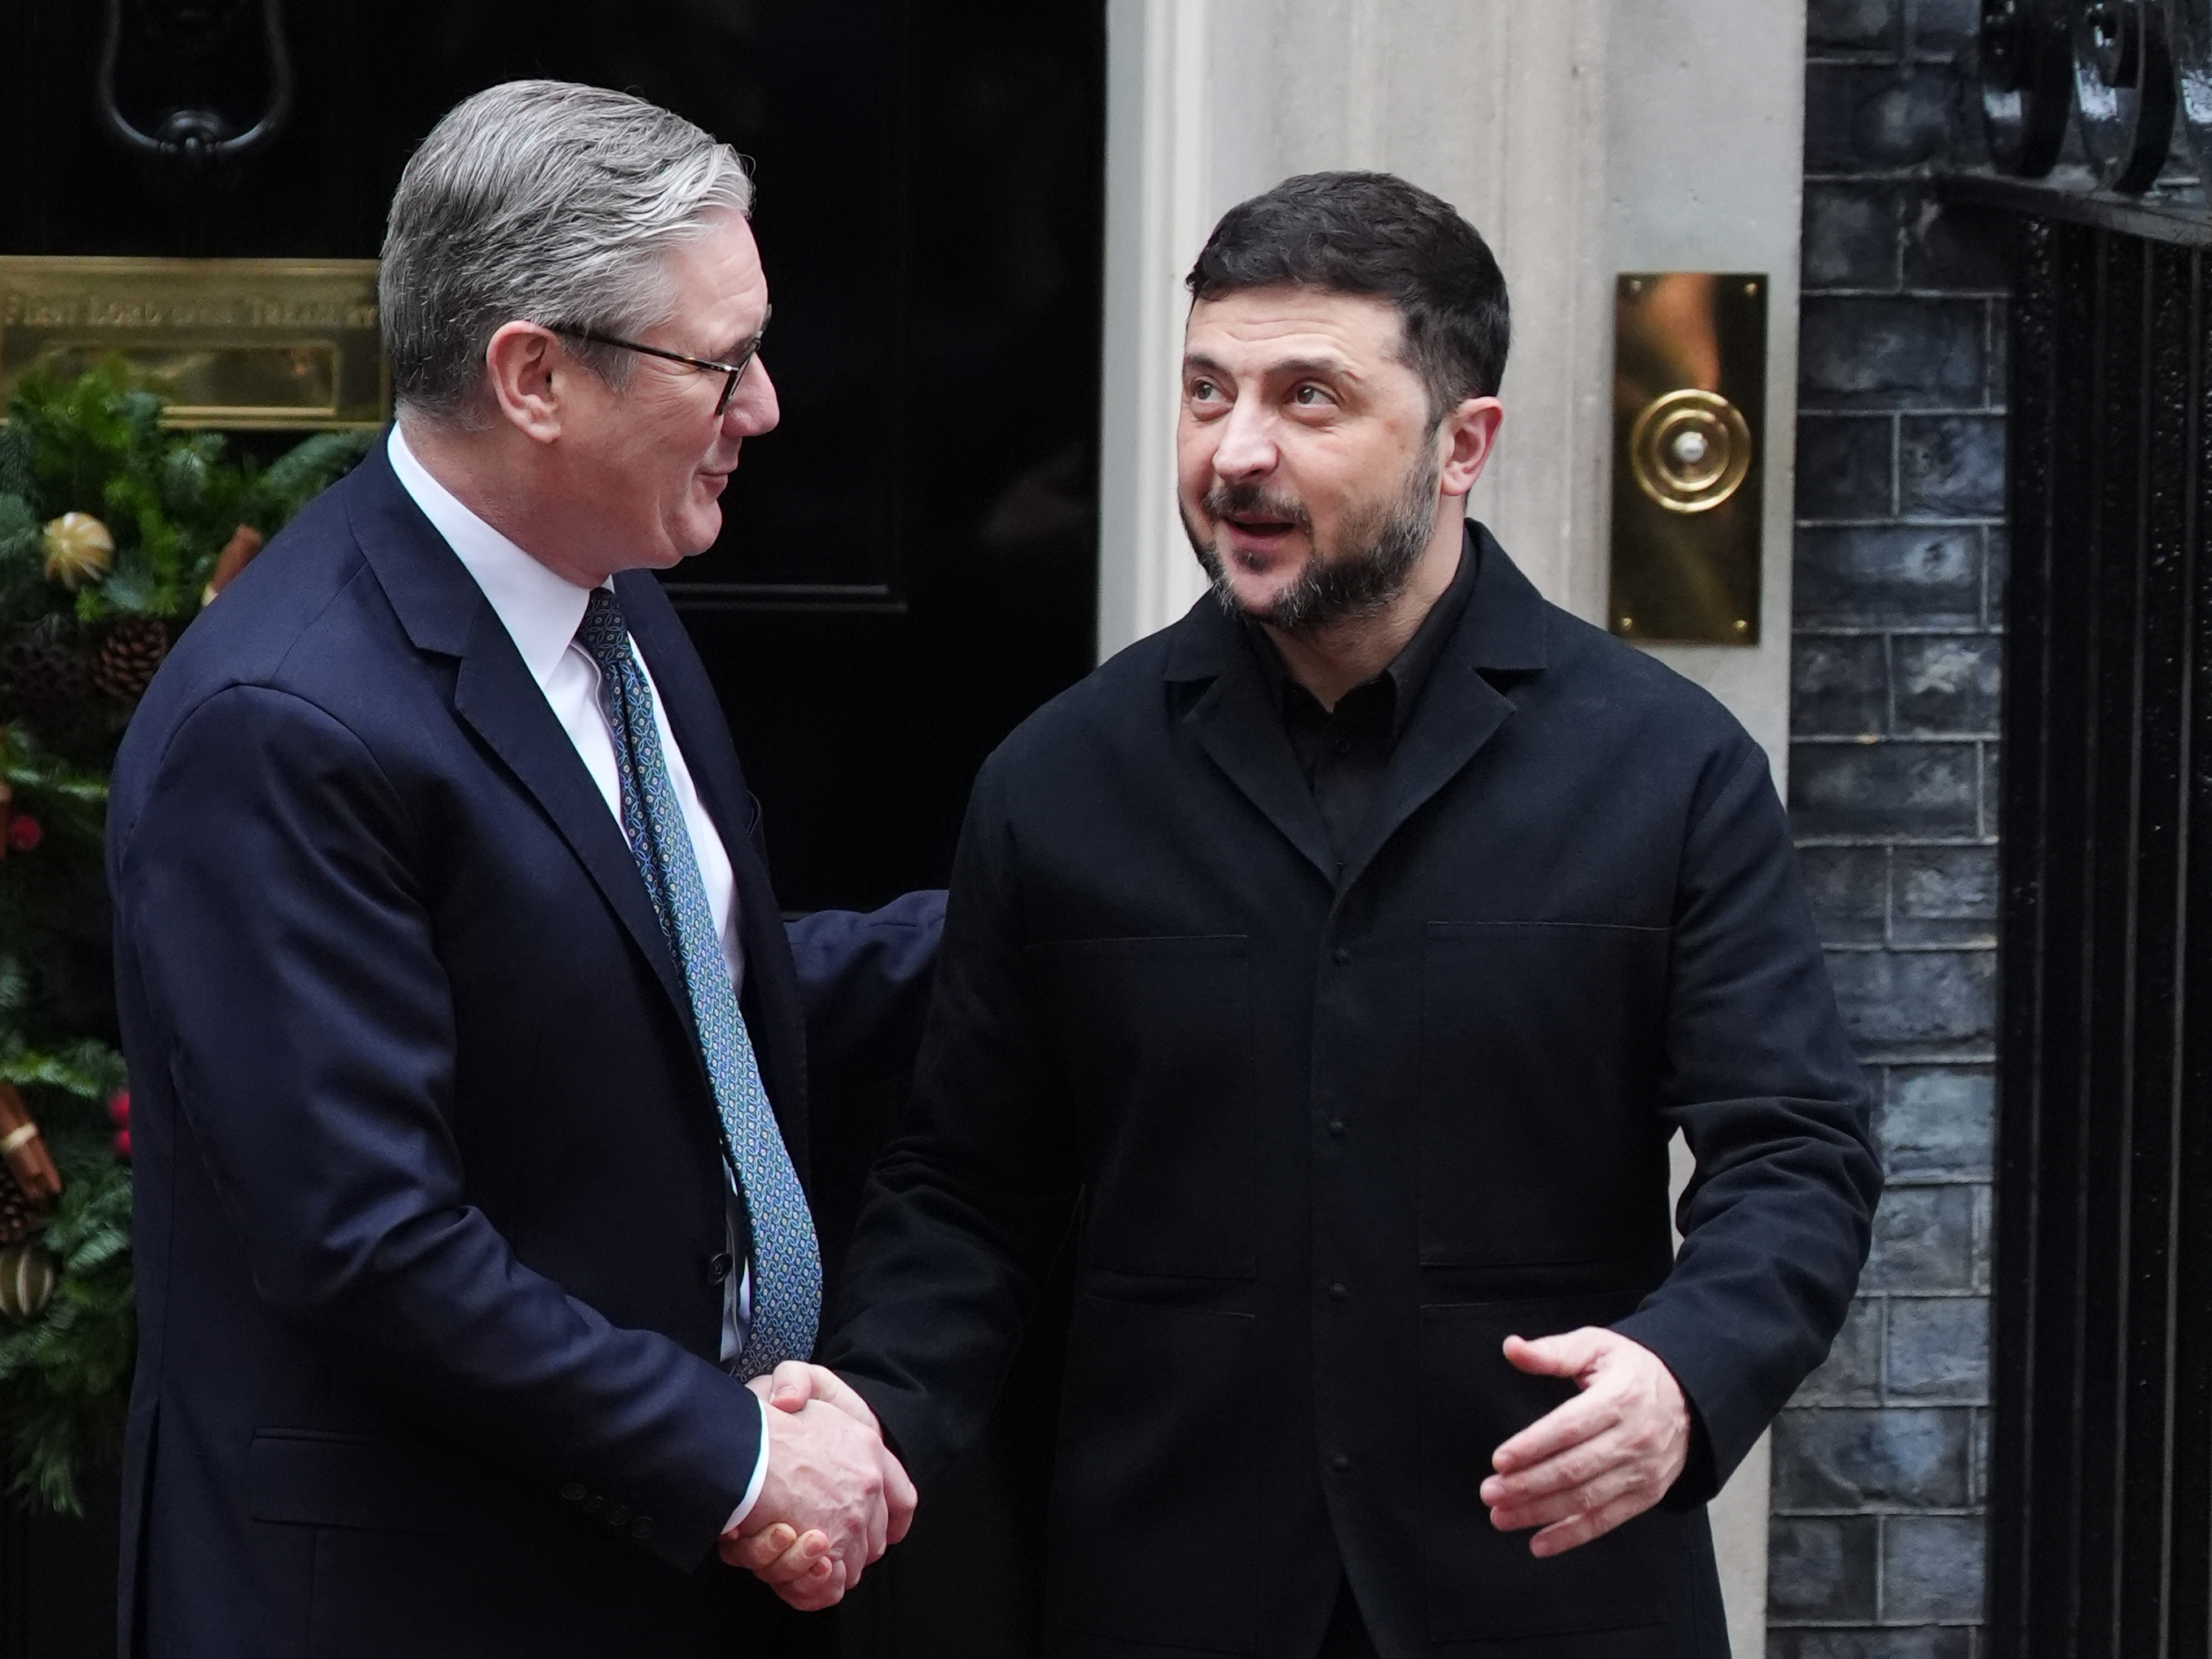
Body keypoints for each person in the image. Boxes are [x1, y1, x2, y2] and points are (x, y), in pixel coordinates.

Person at [789, 172, 1883, 1657]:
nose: (1236, 452)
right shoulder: (1059, 780)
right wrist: (872, 1419)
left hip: (1550, 1594)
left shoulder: (1666, 767)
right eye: (1206, 390)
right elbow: (968, 1185)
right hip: (1167, 1593)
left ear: (1462, 444)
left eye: (1310, 399)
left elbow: (1795, 1149)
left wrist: (1686, 1370)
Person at [107, 81, 936, 1658]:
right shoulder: (282, 726)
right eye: (722, 361)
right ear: (534, 375)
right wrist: (739, 1458)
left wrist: (1049, 922)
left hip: (630, 1575)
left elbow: (679, 1007)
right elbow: (370, 1243)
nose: (764, 408)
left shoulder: (612, 611)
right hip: (407, 1597)